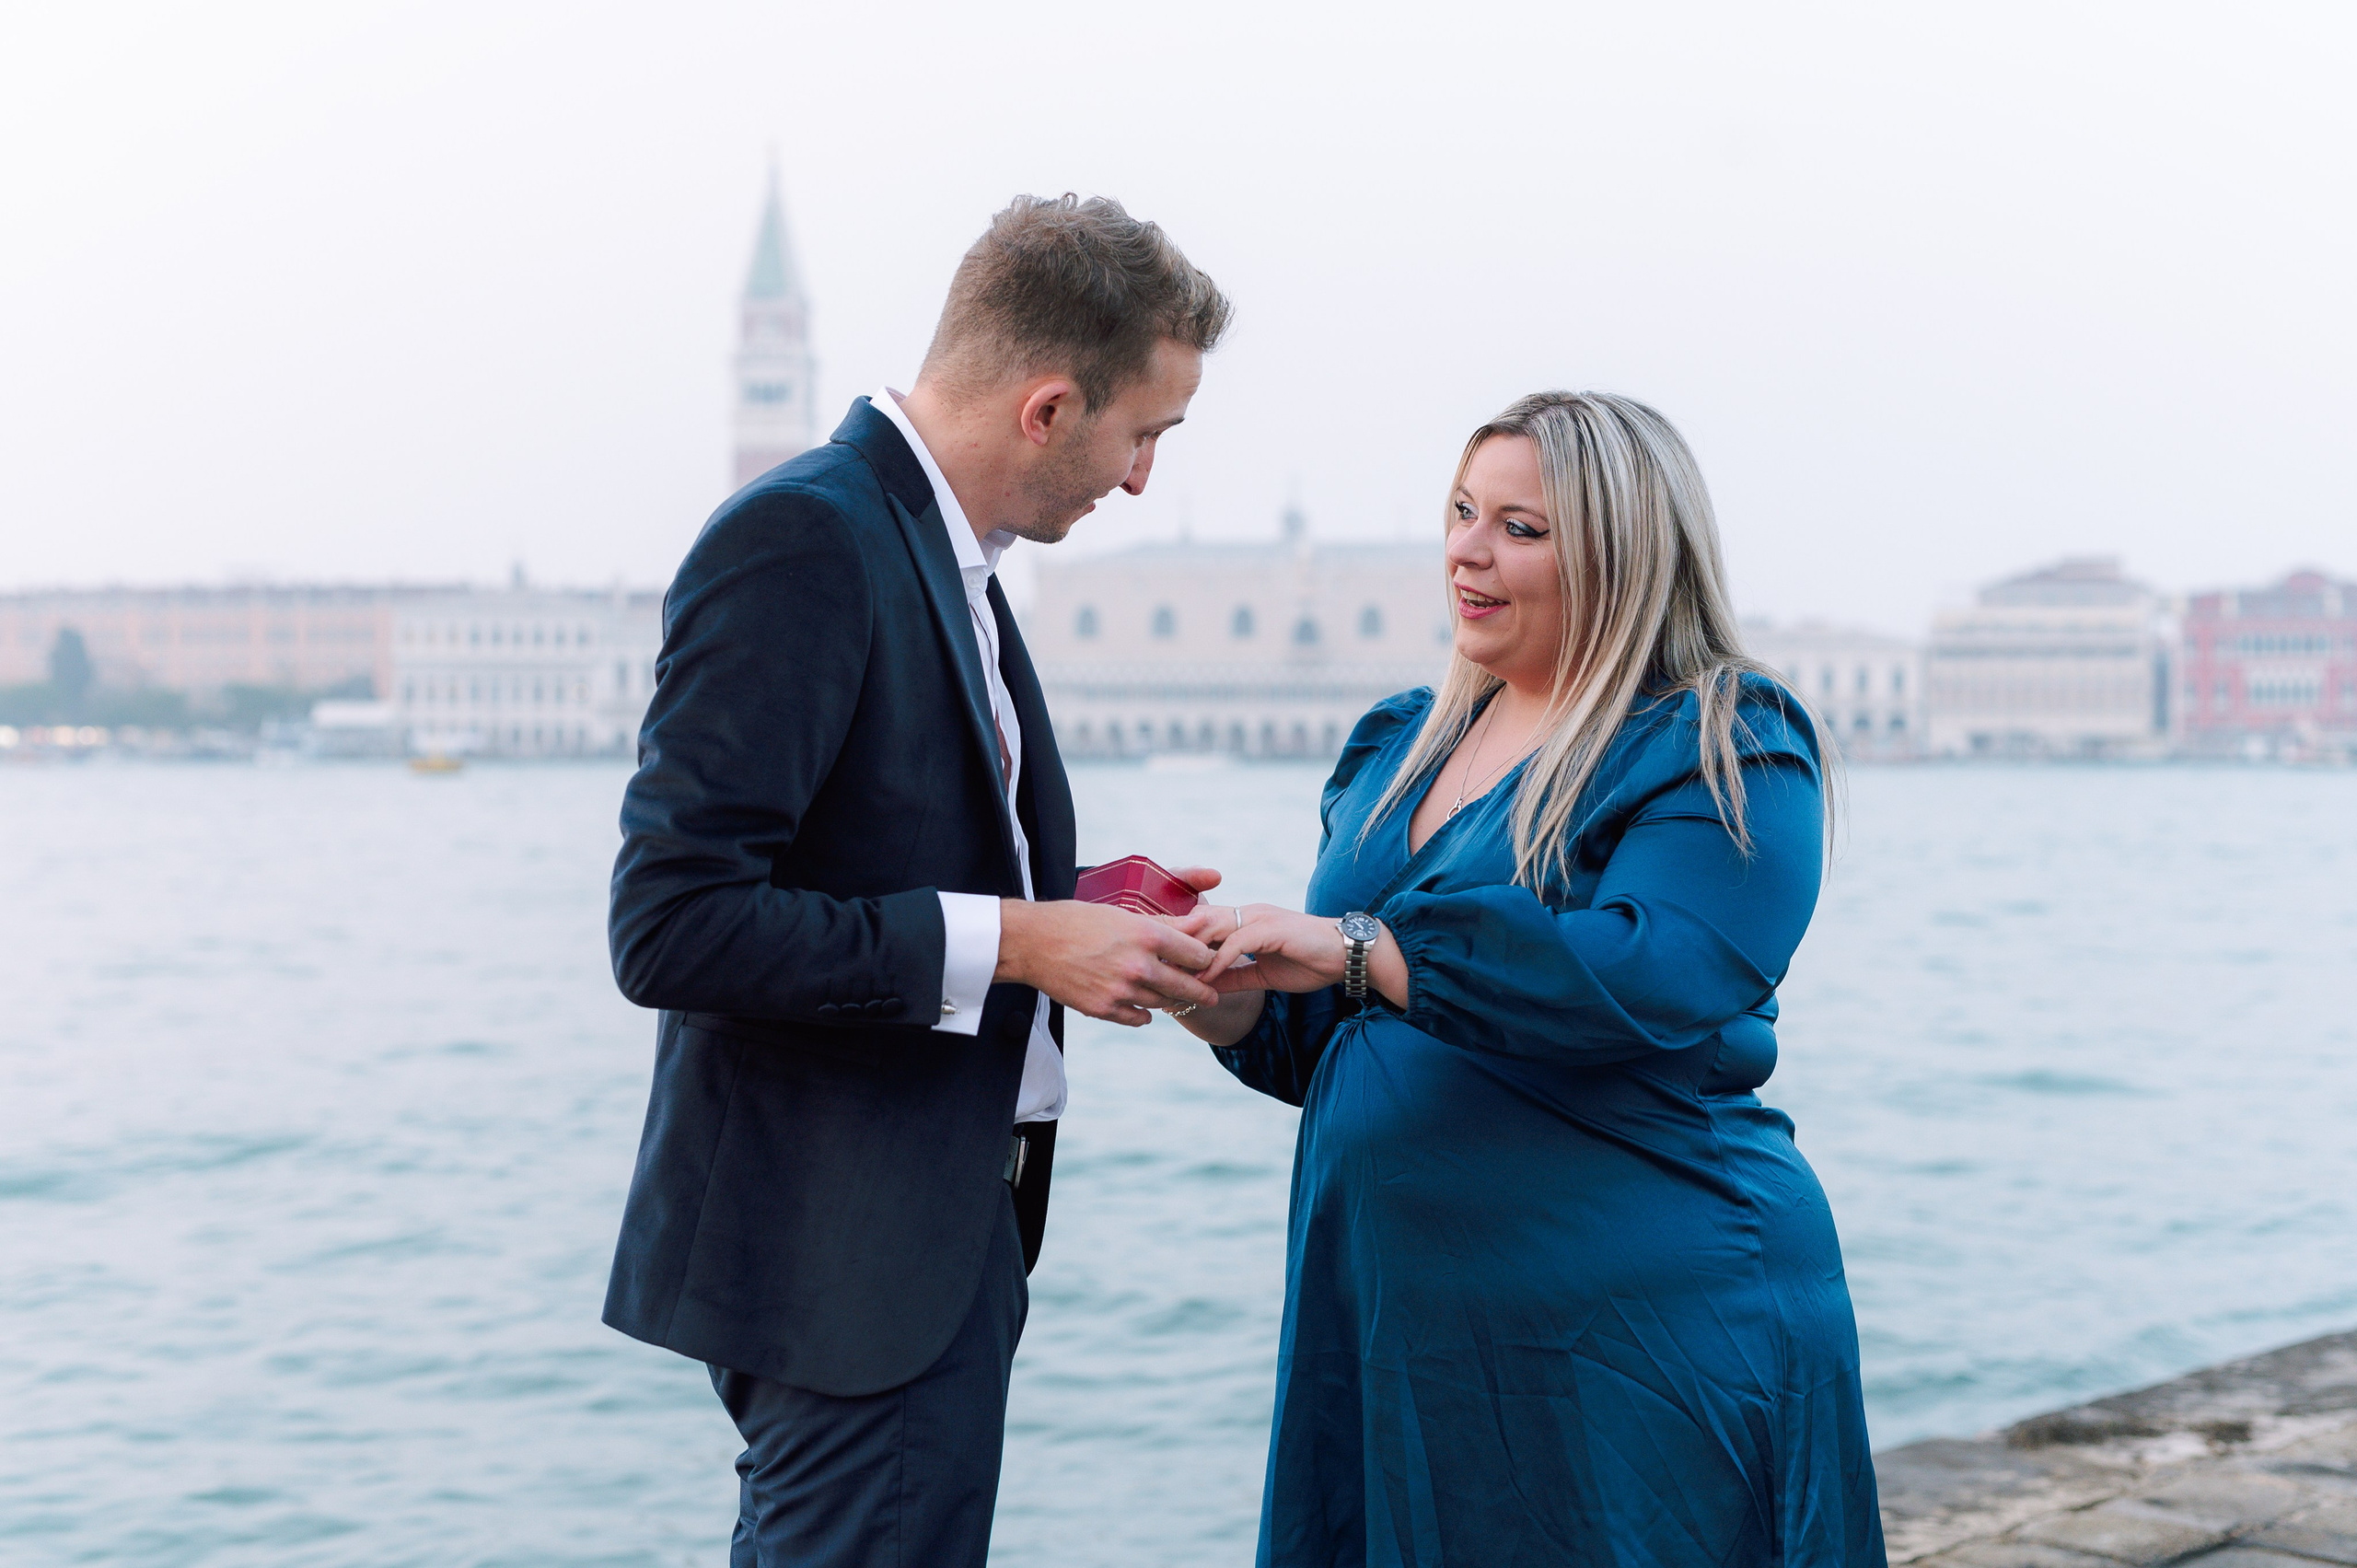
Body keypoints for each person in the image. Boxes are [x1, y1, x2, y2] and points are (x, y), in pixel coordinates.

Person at [603, 194, 1233, 1568]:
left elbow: (874, 844)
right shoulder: (805, 539)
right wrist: (1018, 939)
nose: (1140, 479)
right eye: (1145, 435)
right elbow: (671, 924)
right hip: (848, 1263)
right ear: (1048, 408)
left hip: (923, 1238)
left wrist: (1080, 898)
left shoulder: (944, 555)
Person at [1168, 392, 1887, 1566]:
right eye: (1461, 512)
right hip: (1404, 1326)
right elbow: (1344, 1025)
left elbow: (1654, 972)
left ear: (1622, 554)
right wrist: (1217, 989)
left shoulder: (1723, 740)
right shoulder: (1400, 746)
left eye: (1520, 528)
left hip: (1639, 1327)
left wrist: (1364, 949)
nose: (1468, 549)